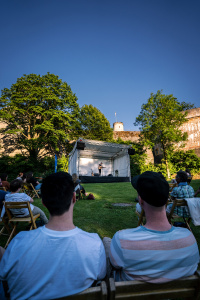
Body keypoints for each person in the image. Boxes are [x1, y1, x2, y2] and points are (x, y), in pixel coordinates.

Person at [0, 172, 106, 299]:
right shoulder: (94, 244)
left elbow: (5, 279)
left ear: (43, 202)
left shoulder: (18, 242)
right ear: (73, 198)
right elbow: (101, 278)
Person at [103, 171, 199, 283]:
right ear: (167, 198)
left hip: (129, 292)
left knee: (106, 241)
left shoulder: (122, 239)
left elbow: (115, 266)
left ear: (140, 200)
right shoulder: (189, 239)